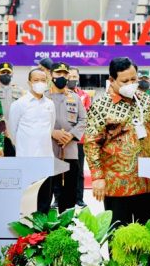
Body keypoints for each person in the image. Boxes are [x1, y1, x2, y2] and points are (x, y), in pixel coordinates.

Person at [83, 57, 150, 227]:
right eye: (125, 81)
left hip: (147, 181)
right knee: (119, 236)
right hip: (117, 184)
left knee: (149, 236)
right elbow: (91, 143)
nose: (131, 84)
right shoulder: (100, 106)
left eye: (134, 79)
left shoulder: (146, 100)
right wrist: (97, 177)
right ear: (111, 81)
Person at [9, 68, 56, 214]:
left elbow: (51, 127)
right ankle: (27, 233)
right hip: (26, 159)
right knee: (27, 200)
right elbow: (12, 130)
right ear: (29, 82)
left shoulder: (50, 104)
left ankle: (43, 232)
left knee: (44, 200)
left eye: (43, 80)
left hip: (46, 159)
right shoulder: (19, 104)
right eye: (36, 80)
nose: (40, 83)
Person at [45, 62, 87, 213]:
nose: (61, 77)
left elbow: (83, 120)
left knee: (69, 190)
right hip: (48, 150)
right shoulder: (44, 97)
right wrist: (52, 132)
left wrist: (71, 135)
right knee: (47, 190)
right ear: (51, 75)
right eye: (58, 73)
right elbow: (36, 121)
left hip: (69, 150)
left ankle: (67, 224)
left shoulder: (74, 98)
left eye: (64, 74)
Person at [67, 67, 92, 208]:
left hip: (79, 139)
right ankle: (58, 199)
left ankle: (79, 198)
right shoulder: (60, 94)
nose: (72, 79)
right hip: (62, 139)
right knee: (61, 170)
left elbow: (86, 118)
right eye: (69, 76)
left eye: (74, 76)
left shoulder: (84, 96)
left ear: (78, 77)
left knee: (79, 170)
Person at [0, 62, 24, 157]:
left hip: (15, 134)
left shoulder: (20, 90)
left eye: (8, 72)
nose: (5, 74)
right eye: (3, 72)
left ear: (12, 74)